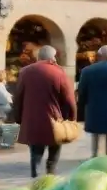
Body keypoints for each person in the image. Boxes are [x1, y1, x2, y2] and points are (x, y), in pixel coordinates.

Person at [13, 46, 76, 178]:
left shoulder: (25, 71)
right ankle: (50, 173)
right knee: (54, 148)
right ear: (53, 57)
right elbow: (69, 98)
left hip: (32, 118)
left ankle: (35, 174)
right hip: (55, 119)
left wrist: (18, 117)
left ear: (38, 57)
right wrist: (71, 117)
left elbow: (18, 96)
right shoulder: (58, 72)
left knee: (35, 150)